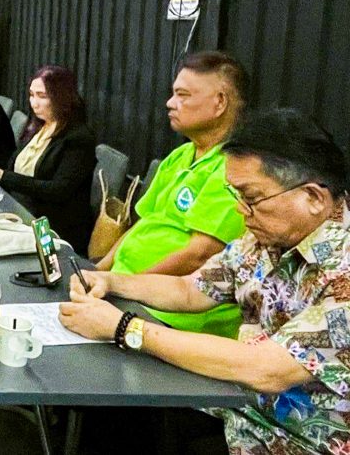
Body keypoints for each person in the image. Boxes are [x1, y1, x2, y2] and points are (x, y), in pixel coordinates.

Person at [61, 108, 350, 454]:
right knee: (108, 410)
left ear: (314, 198)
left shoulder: (342, 273)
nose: (242, 211)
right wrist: (110, 281)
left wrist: (123, 327)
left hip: (291, 440)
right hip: (236, 410)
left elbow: (266, 369)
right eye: (237, 197)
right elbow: (191, 289)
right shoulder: (267, 237)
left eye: (252, 198)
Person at [97, 51, 247, 337]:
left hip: (168, 316)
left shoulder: (233, 168)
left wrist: (124, 289)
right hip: (125, 291)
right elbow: (143, 223)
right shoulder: (180, 156)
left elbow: (198, 255)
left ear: (219, 103)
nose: (170, 103)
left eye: (183, 95)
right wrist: (99, 271)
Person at [0, 65, 96, 252]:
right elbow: (17, 170)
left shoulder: (79, 137)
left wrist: (2, 175)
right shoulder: (39, 127)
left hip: (51, 227)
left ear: (61, 97)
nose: (34, 103)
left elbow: (57, 190)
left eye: (42, 96)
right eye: (31, 95)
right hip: (20, 211)